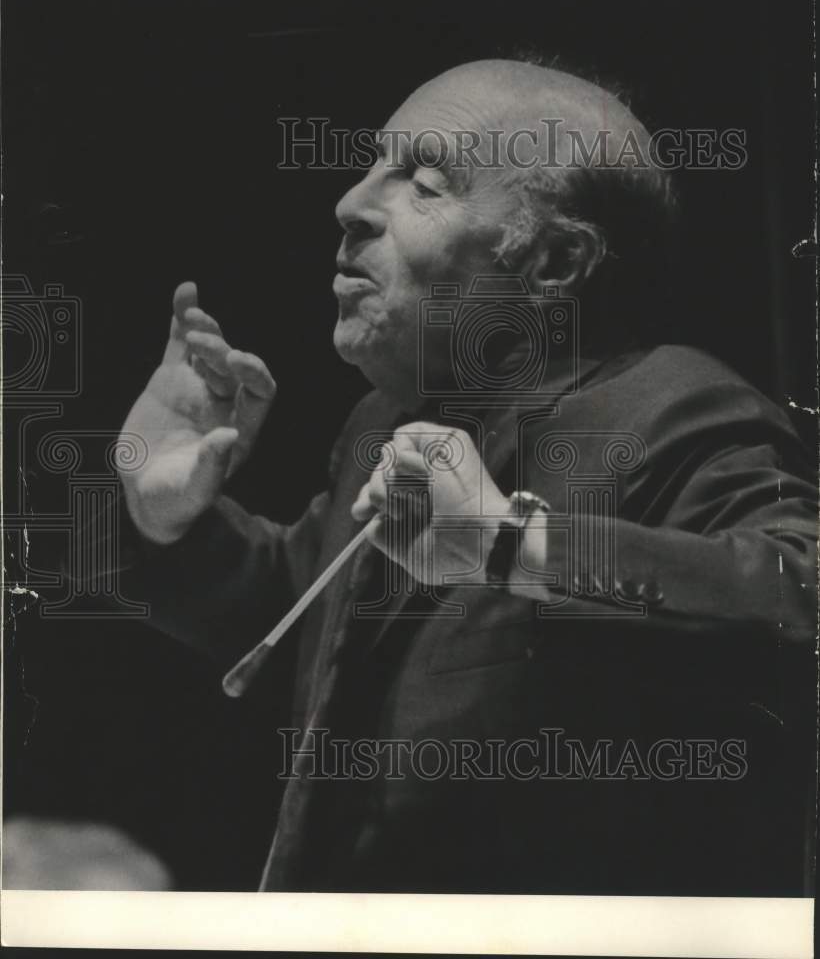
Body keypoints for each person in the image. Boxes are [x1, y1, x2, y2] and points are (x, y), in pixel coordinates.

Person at [115, 60, 816, 894]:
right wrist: (169, 515)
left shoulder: (678, 405)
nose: (349, 204)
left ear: (555, 261)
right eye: (373, 163)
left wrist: (509, 545)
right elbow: (299, 612)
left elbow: (796, 596)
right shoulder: (383, 428)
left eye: (424, 181)